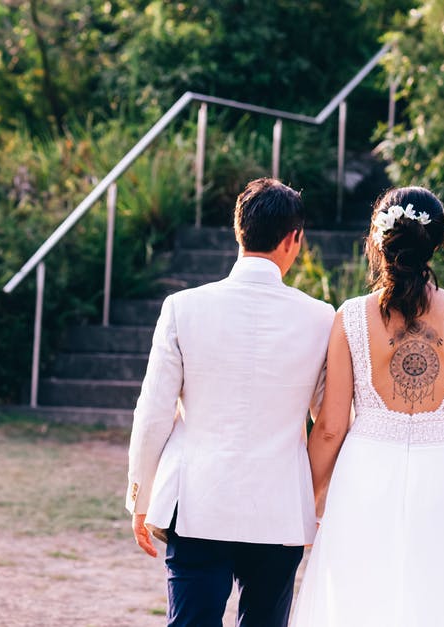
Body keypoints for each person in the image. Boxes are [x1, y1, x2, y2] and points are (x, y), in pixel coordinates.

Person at [290, 186, 444, 626]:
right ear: (439, 244)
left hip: (365, 475)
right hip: (443, 477)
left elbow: (332, 427)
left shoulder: (351, 316)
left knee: (358, 599)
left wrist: (305, 501)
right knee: (437, 599)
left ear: (377, 241)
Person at [125, 178, 335, 627]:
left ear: (238, 230)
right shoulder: (321, 317)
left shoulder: (182, 307)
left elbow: (153, 414)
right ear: (293, 238)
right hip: (278, 510)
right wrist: (314, 497)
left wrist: (139, 496)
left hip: (197, 503)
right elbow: (330, 422)